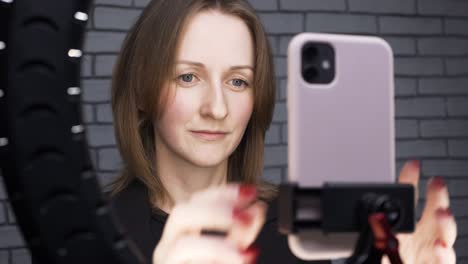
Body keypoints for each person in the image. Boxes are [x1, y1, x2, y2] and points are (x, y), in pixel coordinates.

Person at [107, 0, 458, 263]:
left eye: (238, 81)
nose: (216, 108)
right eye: (188, 77)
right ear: (141, 91)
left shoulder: (291, 231)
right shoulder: (93, 229)